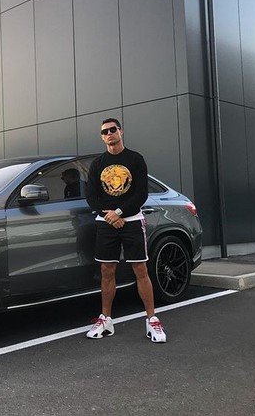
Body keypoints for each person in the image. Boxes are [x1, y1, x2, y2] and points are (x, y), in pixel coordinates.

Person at [84, 118, 166, 343]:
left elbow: (141, 193)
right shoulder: (98, 164)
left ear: (121, 131)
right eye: (105, 132)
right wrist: (110, 215)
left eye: (113, 129)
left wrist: (119, 212)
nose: (109, 134)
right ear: (102, 137)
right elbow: (92, 197)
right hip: (107, 223)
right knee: (107, 271)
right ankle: (106, 320)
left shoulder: (135, 159)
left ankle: (152, 321)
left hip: (131, 220)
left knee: (140, 269)